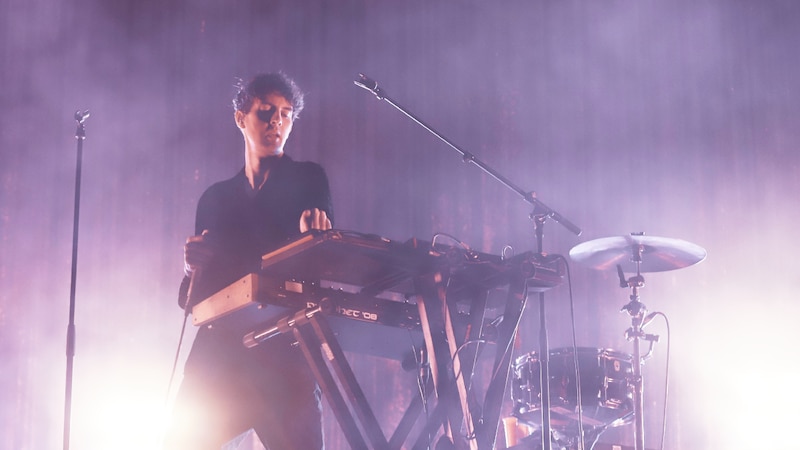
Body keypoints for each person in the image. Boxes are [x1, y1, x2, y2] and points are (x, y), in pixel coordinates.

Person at [163, 72, 333, 450]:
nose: (277, 122)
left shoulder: (308, 178)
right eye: (266, 112)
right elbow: (191, 302)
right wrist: (191, 267)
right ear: (241, 118)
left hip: (284, 356)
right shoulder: (215, 199)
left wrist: (313, 235)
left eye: (286, 114)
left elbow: (321, 256)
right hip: (220, 358)